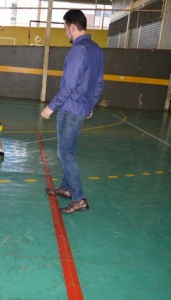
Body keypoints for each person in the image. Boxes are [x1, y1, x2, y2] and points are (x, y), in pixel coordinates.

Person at [41, 9, 104, 214]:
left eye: (66, 28)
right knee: (69, 150)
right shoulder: (96, 49)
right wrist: (90, 106)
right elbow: (99, 82)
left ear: (72, 27)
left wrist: (52, 106)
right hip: (81, 108)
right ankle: (67, 188)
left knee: (64, 153)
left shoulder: (78, 50)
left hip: (70, 108)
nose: (65, 32)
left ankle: (78, 198)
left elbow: (69, 85)